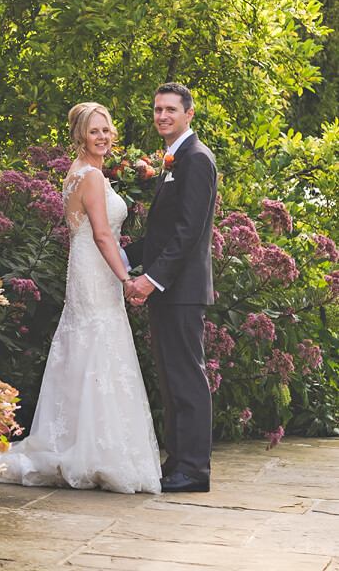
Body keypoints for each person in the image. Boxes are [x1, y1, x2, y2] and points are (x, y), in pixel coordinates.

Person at [0, 102, 161, 494]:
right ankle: (94, 452)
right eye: (94, 131)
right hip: (96, 271)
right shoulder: (88, 177)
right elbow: (103, 235)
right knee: (99, 347)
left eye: (106, 130)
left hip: (88, 270)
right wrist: (126, 278)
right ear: (80, 136)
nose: (102, 137)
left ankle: (83, 441)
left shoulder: (83, 174)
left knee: (88, 348)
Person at [123, 83, 218, 493]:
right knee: (171, 378)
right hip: (168, 290)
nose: (162, 116)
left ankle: (195, 470)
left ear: (188, 113)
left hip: (180, 289)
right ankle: (178, 461)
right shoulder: (173, 159)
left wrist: (150, 278)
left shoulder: (196, 159)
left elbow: (187, 233)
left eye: (170, 110)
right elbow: (162, 233)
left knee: (187, 379)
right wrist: (122, 258)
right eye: (158, 109)